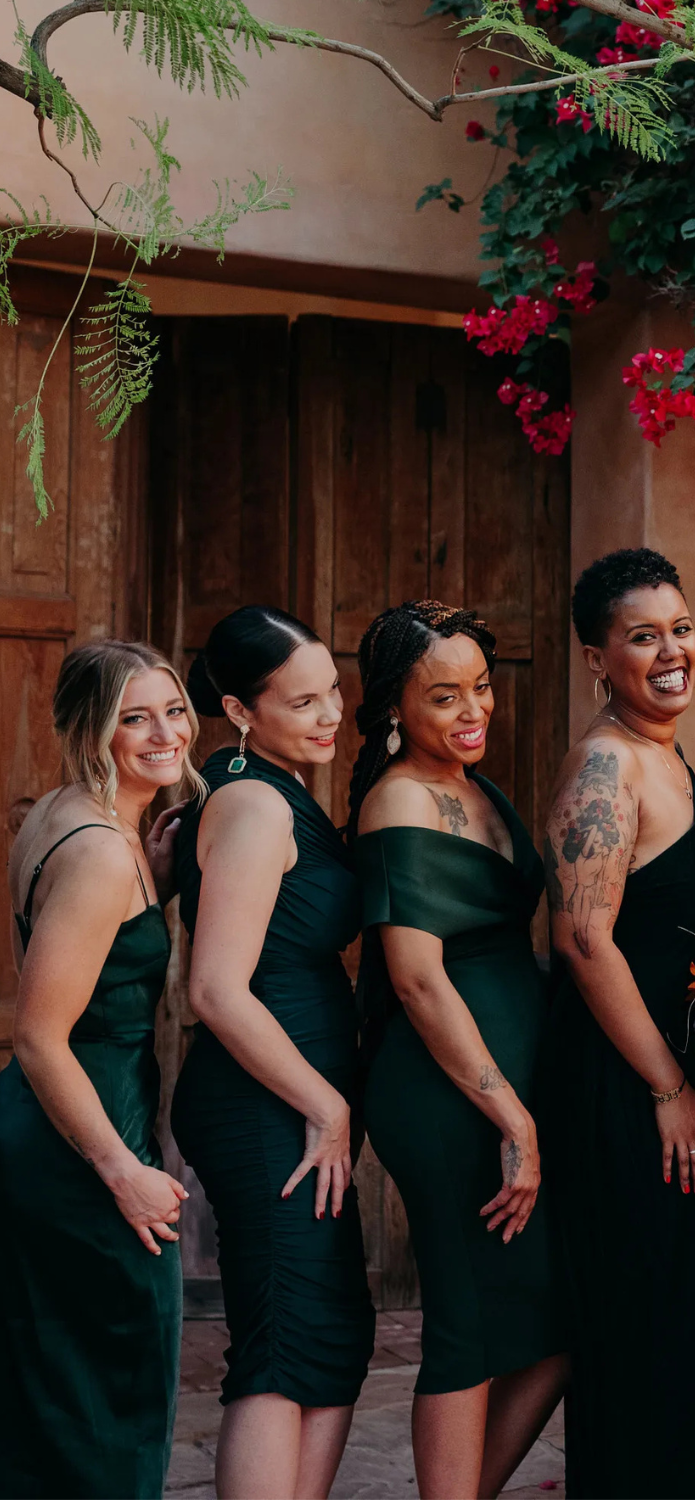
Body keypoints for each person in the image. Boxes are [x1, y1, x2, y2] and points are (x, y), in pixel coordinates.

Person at [348, 601, 567, 1499]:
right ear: (396, 708)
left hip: (507, 1087)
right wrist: (510, 1112)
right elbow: (416, 979)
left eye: (481, 687)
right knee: (467, 1324)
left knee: (556, 1321)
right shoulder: (399, 797)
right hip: (450, 1100)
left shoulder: (477, 786)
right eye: (445, 697)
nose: (474, 710)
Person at [540, 550, 695, 1497]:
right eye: (643, 636)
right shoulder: (607, 762)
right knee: (646, 1327)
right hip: (627, 1091)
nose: (673, 651)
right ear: (597, 657)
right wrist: (667, 1088)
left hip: (670, 1079)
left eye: (682, 627)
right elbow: (583, 940)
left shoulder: (665, 749)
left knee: (680, 1325)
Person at [172, 605, 375, 1500]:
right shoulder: (253, 802)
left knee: (328, 1327)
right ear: (240, 709)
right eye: (303, 701)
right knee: (284, 1336)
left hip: (290, 1098)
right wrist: (327, 1106)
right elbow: (214, 988)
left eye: (334, 689)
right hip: (267, 1105)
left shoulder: (265, 783)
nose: (331, 712)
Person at [0, 642, 200, 1498]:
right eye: (135, 717)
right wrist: (120, 1168)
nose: (166, 733)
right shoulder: (95, 852)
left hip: (51, 1128)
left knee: (53, 1388)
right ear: (92, 729)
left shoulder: (66, 815)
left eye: (175, 708)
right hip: (78, 1136)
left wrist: (146, 885)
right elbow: (39, 1035)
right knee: (115, 1378)